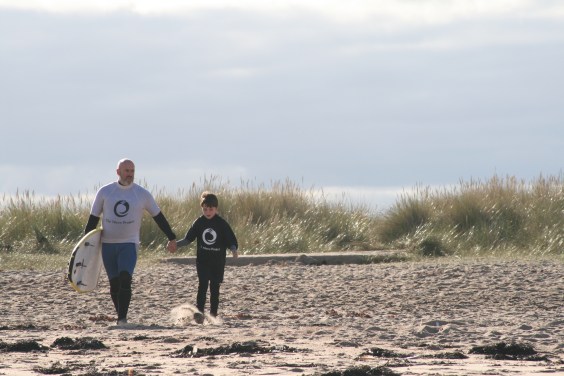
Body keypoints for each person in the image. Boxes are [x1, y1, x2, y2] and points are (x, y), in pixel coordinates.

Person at [84, 158, 177, 325]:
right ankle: (120, 315)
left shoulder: (141, 194)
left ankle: (122, 319)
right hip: (108, 244)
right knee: (114, 284)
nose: (130, 174)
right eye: (127, 171)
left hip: (129, 243)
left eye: (132, 171)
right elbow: (93, 219)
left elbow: (158, 217)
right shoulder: (105, 192)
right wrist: (84, 244)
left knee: (125, 277)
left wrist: (171, 237)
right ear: (118, 171)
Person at [175, 191, 238, 322]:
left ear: (216, 209)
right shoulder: (199, 222)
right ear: (202, 208)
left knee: (215, 287)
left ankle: (213, 315)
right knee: (202, 285)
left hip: (218, 261)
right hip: (203, 261)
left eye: (211, 209)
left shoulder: (221, 223)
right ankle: (199, 314)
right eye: (205, 209)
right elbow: (188, 239)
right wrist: (176, 245)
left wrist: (233, 249)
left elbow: (230, 239)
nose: (208, 212)